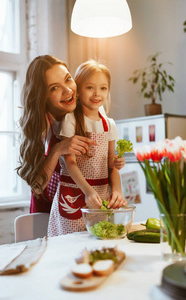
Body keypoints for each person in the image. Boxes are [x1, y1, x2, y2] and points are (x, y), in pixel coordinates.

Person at [16, 55, 125, 214]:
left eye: (68, 79)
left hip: (84, 205)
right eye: (54, 88)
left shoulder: (93, 110)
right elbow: (38, 186)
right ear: (42, 96)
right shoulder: (44, 123)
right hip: (48, 210)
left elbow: (105, 165)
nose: (67, 91)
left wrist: (116, 188)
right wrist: (59, 149)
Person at [48, 60, 127, 237]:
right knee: (70, 245)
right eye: (90, 87)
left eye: (103, 88)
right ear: (78, 89)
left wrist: (117, 190)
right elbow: (70, 162)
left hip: (100, 197)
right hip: (75, 194)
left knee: (97, 241)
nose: (97, 94)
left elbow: (111, 165)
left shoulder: (109, 125)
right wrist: (88, 191)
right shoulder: (71, 120)